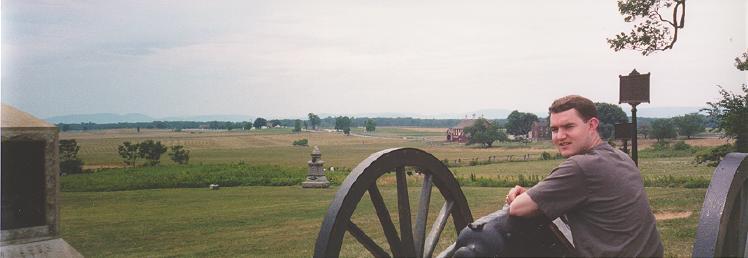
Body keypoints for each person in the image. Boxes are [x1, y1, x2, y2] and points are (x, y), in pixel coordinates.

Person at [504, 95, 663, 257]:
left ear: (592, 125)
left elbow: (518, 208)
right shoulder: (620, 156)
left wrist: (520, 197)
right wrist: (539, 195)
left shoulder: (580, 167)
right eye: (554, 129)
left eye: (569, 127)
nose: (560, 136)